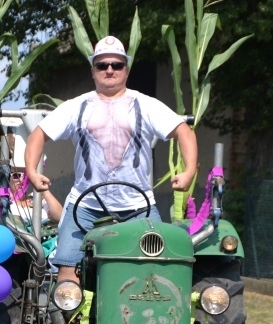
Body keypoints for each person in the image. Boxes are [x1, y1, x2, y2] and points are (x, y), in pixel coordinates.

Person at [24, 35, 197, 285]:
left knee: (157, 272)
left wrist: (189, 171)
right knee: (66, 273)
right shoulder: (77, 106)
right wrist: (31, 170)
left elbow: (184, 131)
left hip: (139, 208)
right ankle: (71, 322)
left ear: (126, 69)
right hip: (84, 207)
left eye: (117, 65)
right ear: (93, 70)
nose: (109, 70)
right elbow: (39, 134)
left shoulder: (146, 105)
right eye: (102, 65)